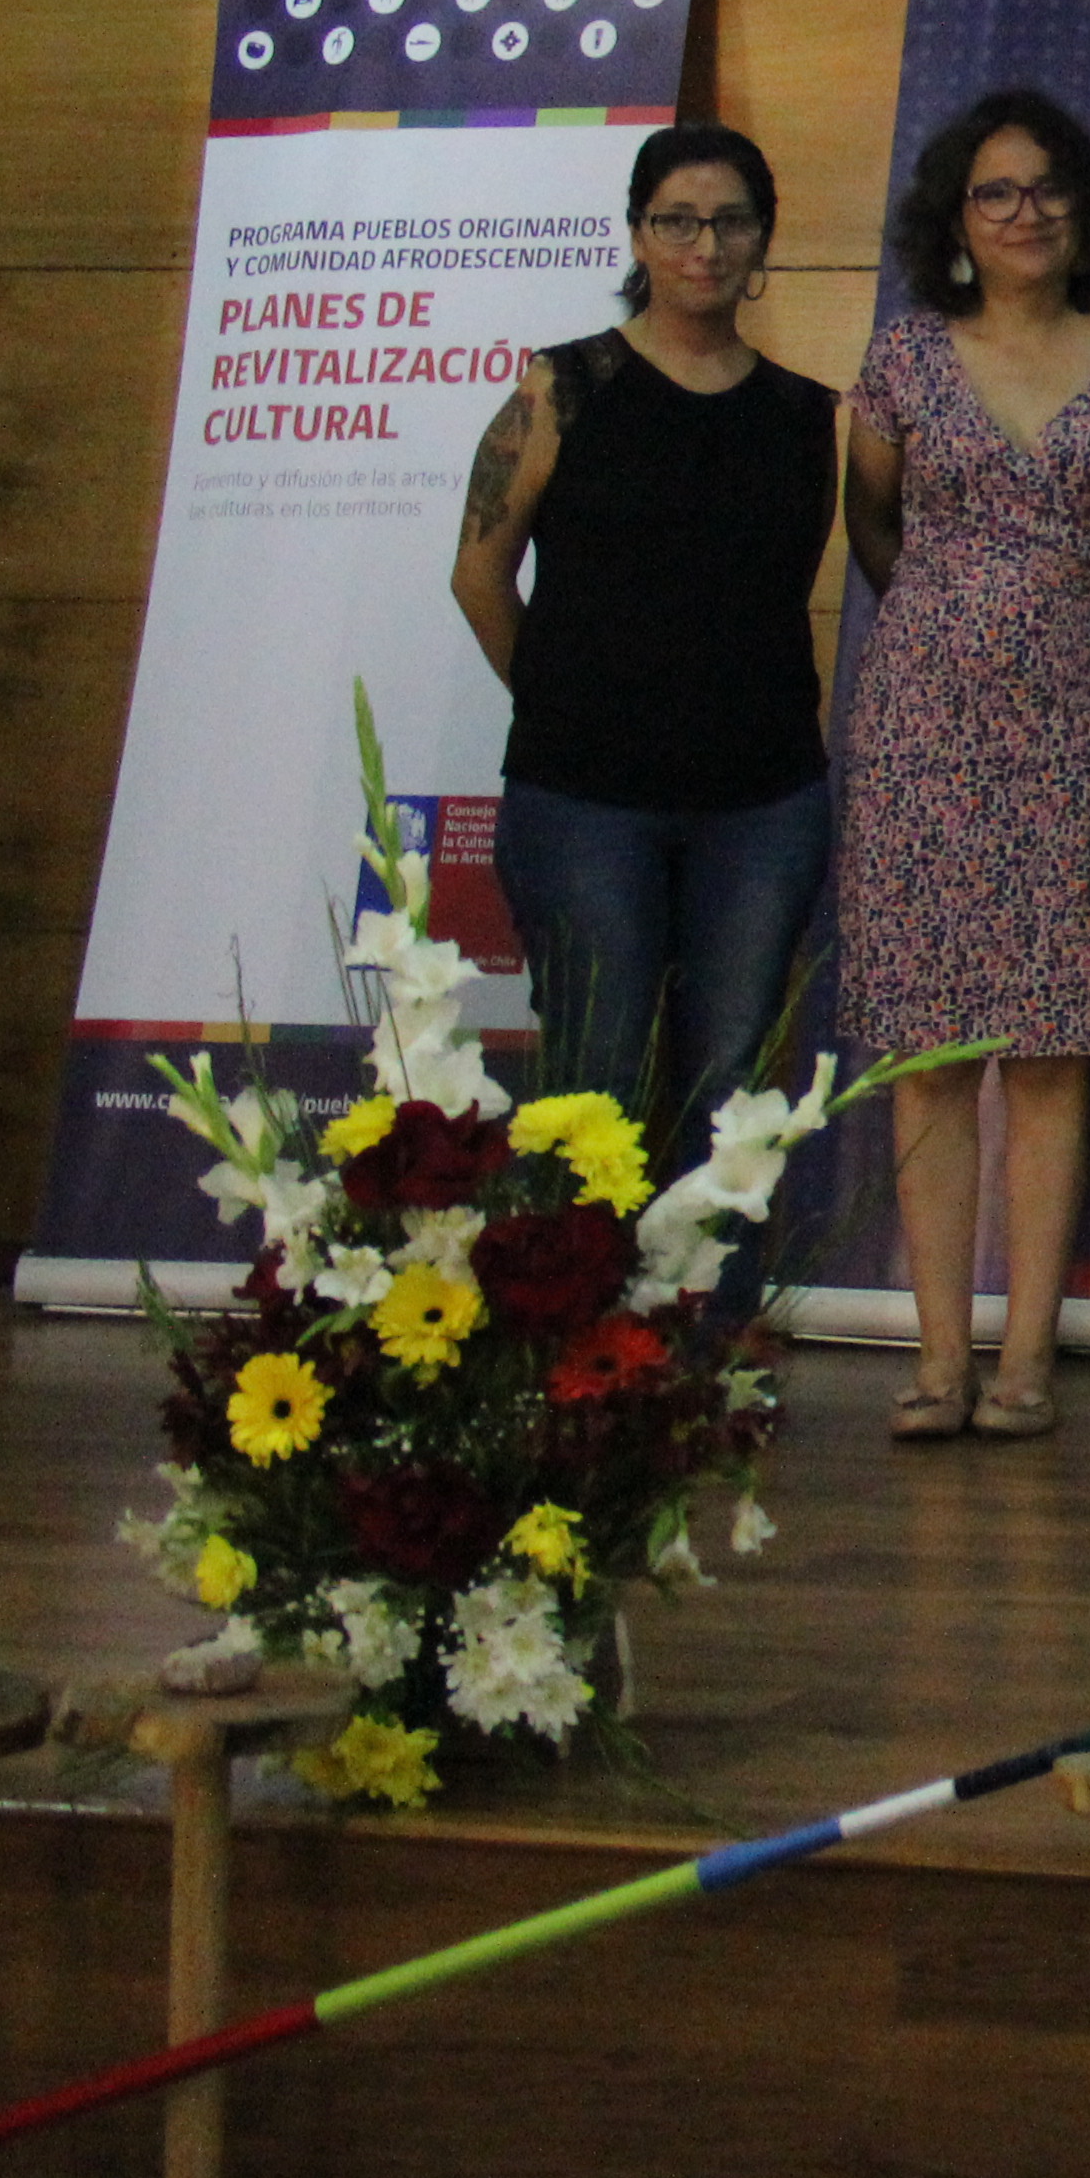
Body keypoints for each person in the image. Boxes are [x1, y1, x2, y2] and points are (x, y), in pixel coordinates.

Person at [839, 88, 1090, 1442]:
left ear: (1084, 211)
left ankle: (1028, 1358)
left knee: (1049, 1055)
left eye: (1046, 188)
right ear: (956, 220)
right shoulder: (906, 355)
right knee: (929, 1057)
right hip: (918, 734)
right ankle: (940, 1362)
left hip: (1077, 733)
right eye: (995, 191)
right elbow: (872, 522)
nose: (1024, 211)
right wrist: (955, 628)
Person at [449, 122, 837, 1314]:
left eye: (729, 222)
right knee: (595, 1085)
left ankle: (711, 1351)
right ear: (636, 234)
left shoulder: (806, 414)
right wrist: (564, 701)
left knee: (732, 1095)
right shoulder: (562, 386)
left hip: (762, 805)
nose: (703, 245)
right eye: (676, 220)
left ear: (762, 240)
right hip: (584, 801)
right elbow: (478, 573)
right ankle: (575, 1351)